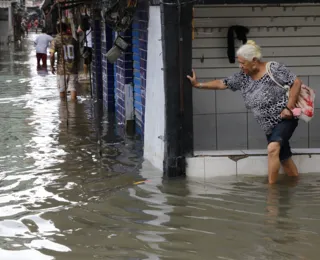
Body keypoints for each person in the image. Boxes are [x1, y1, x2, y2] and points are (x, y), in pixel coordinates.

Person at [187, 40, 302, 184]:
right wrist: (198, 85)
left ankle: (272, 193)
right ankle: (296, 185)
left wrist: (289, 107)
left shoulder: (273, 68)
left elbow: (296, 82)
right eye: (239, 63)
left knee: (273, 148)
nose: (240, 66)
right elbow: (222, 83)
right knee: (284, 159)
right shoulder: (243, 77)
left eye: (243, 63)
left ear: (254, 60)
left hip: (285, 118)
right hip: (268, 126)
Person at [50, 22, 79, 101]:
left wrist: (52, 66)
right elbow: (78, 54)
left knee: (62, 90)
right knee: (73, 88)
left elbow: (52, 55)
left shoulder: (55, 40)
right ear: (66, 29)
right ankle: (73, 108)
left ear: (57, 29)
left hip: (61, 69)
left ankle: (63, 108)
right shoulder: (73, 39)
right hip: (73, 68)